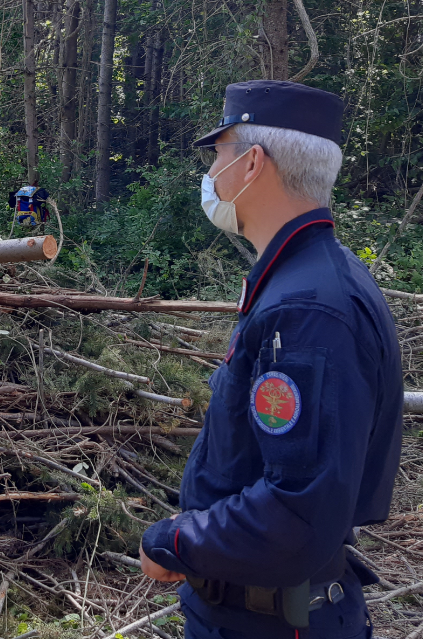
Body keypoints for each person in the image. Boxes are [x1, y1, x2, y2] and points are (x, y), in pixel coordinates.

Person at [138, 81, 402, 639]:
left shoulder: (308, 309)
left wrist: (173, 540)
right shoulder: (315, 279)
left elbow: (297, 512)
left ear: (252, 163)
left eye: (218, 154)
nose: (211, 173)